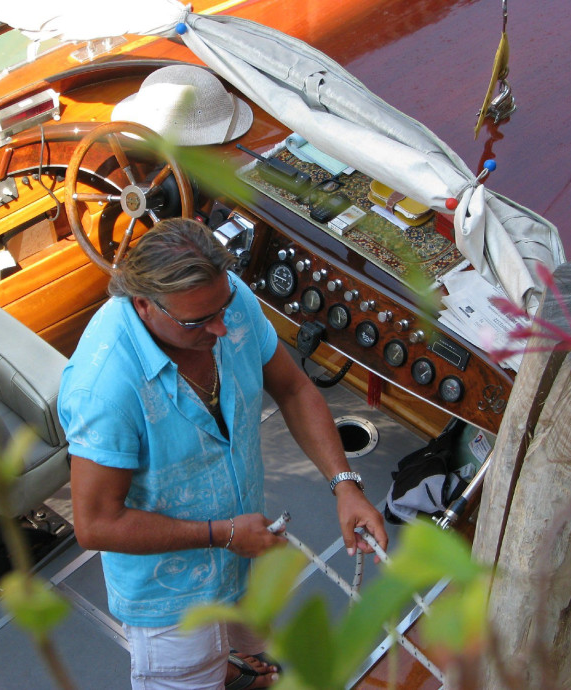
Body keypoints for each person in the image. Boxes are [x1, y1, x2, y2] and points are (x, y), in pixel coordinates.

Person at [58, 217, 387, 690]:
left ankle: (234, 668)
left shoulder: (224, 299)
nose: (221, 325)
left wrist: (345, 486)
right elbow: (96, 524)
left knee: (246, 635)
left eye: (224, 307)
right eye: (198, 321)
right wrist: (222, 534)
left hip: (244, 539)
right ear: (144, 304)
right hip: (171, 591)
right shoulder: (103, 390)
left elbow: (293, 389)